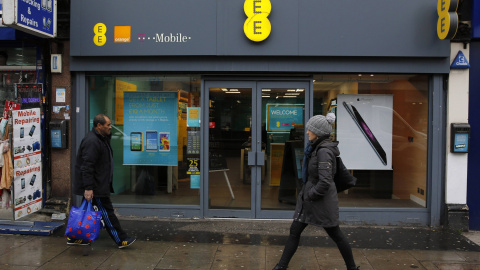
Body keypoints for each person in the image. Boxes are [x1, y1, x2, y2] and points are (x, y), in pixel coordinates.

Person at [273, 113, 359, 270]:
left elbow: (325, 181)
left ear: (318, 132)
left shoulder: (323, 151)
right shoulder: (315, 148)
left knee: (336, 234)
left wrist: (311, 195)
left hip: (320, 201)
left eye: (309, 130)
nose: (307, 132)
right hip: (310, 200)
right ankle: (281, 266)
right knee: (294, 231)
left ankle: (352, 267)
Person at [70, 114, 136, 248]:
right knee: (107, 213)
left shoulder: (100, 138)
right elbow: (87, 166)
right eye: (108, 125)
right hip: (96, 185)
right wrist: (88, 188)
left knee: (84, 212)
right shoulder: (92, 141)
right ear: (99, 126)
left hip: (98, 183)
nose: (110, 127)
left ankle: (76, 237)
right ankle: (121, 239)